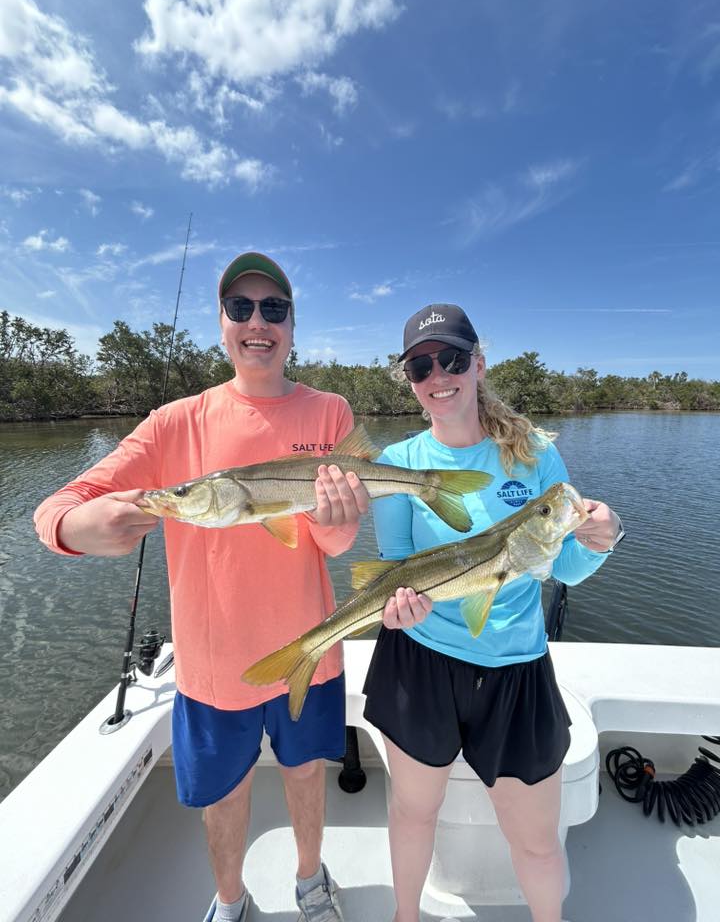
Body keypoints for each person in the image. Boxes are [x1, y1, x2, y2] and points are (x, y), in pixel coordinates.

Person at [34, 251, 370, 922]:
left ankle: (310, 881)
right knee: (226, 792)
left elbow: (337, 542)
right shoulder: (172, 423)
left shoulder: (330, 411)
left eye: (273, 309)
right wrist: (79, 526)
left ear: (292, 326)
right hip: (214, 669)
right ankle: (229, 899)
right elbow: (54, 509)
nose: (257, 322)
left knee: (306, 772)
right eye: (240, 308)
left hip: (310, 648)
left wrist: (336, 520)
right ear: (221, 324)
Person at [363, 303, 624, 922]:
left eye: (451, 358)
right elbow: (396, 565)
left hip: (516, 671)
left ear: (478, 363)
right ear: (409, 379)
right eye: (420, 365)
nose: (437, 375)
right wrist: (393, 611)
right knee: (412, 811)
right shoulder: (397, 463)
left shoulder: (534, 455)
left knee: (535, 840)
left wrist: (602, 541)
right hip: (420, 661)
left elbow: (559, 569)